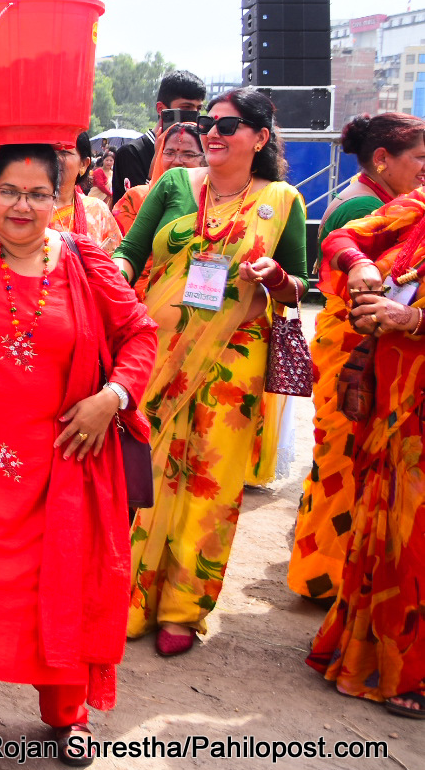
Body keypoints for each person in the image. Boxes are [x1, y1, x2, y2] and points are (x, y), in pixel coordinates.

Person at [0, 10, 158, 763]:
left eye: (36, 193)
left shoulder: (88, 259)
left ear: (60, 195)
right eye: (8, 190)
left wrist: (113, 395)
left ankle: (67, 711)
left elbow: (142, 336)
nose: (20, 205)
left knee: (63, 585)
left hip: (63, 464)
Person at [114, 87, 308, 658]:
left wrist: (277, 279)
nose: (214, 132)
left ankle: (182, 608)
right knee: (145, 469)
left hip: (234, 356)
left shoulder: (282, 199)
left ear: (260, 138)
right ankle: (124, 598)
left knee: (211, 477)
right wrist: (103, 287)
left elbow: (301, 283)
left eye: (230, 124)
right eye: (210, 123)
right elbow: (129, 254)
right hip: (158, 346)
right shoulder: (174, 186)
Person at [288, 112, 425, 601]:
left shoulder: (390, 200)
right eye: (420, 159)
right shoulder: (361, 207)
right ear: (384, 160)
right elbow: (347, 278)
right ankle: (322, 579)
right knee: (340, 465)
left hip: (370, 345)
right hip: (353, 346)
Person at [308, 195, 425, 720]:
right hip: (391, 403)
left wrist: (412, 317)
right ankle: (366, 652)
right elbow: (339, 237)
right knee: (384, 527)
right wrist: (359, 264)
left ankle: (412, 669)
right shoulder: (416, 209)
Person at [111, 122, 204, 300]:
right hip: (142, 296)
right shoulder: (135, 198)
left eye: (188, 154)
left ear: (204, 158)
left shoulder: (219, 199)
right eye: (169, 153)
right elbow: (129, 251)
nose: (177, 161)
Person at [111, 70, 207, 204]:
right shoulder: (131, 153)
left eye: (198, 109)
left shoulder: (200, 150)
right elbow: (136, 212)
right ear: (161, 109)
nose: (194, 116)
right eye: (186, 108)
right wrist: (156, 164)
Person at [52, 132, 123, 253]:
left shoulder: (97, 210)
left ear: (84, 164)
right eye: (48, 152)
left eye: (64, 152)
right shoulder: (26, 209)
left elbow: (115, 261)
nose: (55, 158)